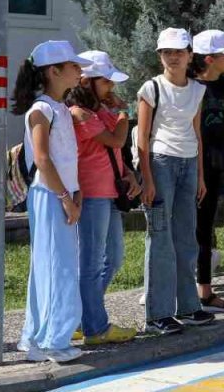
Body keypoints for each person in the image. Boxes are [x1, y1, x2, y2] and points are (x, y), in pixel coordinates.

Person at [14, 41, 92, 363]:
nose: (79, 70)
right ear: (53, 71)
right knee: (55, 267)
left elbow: (63, 159)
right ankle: (50, 341)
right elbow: (43, 159)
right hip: (48, 195)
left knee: (56, 265)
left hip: (61, 194)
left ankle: (38, 337)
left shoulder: (58, 107)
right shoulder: (41, 109)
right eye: (73, 65)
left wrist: (76, 192)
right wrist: (65, 197)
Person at [138, 28, 215, 334]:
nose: (172, 57)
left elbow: (197, 133)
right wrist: (147, 178)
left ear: (189, 55)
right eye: (166, 52)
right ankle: (157, 313)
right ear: (160, 56)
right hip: (160, 162)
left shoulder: (197, 90)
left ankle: (188, 305)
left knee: (186, 237)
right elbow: (143, 137)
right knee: (160, 237)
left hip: (188, 163)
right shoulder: (151, 88)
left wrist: (200, 175)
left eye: (178, 51)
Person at [68, 51, 138, 345]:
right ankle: (94, 327)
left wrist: (130, 174)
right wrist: (124, 116)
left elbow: (117, 152)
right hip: (93, 192)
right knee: (92, 262)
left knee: (114, 258)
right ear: (87, 81)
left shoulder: (101, 111)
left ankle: (83, 317)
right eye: (106, 81)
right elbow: (117, 140)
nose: (111, 87)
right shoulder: (78, 113)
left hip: (110, 191)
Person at [190, 30, 224, 314]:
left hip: (214, 168)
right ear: (209, 59)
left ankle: (205, 291)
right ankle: (177, 287)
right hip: (188, 165)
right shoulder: (188, 86)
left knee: (205, 228)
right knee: (185, 229)